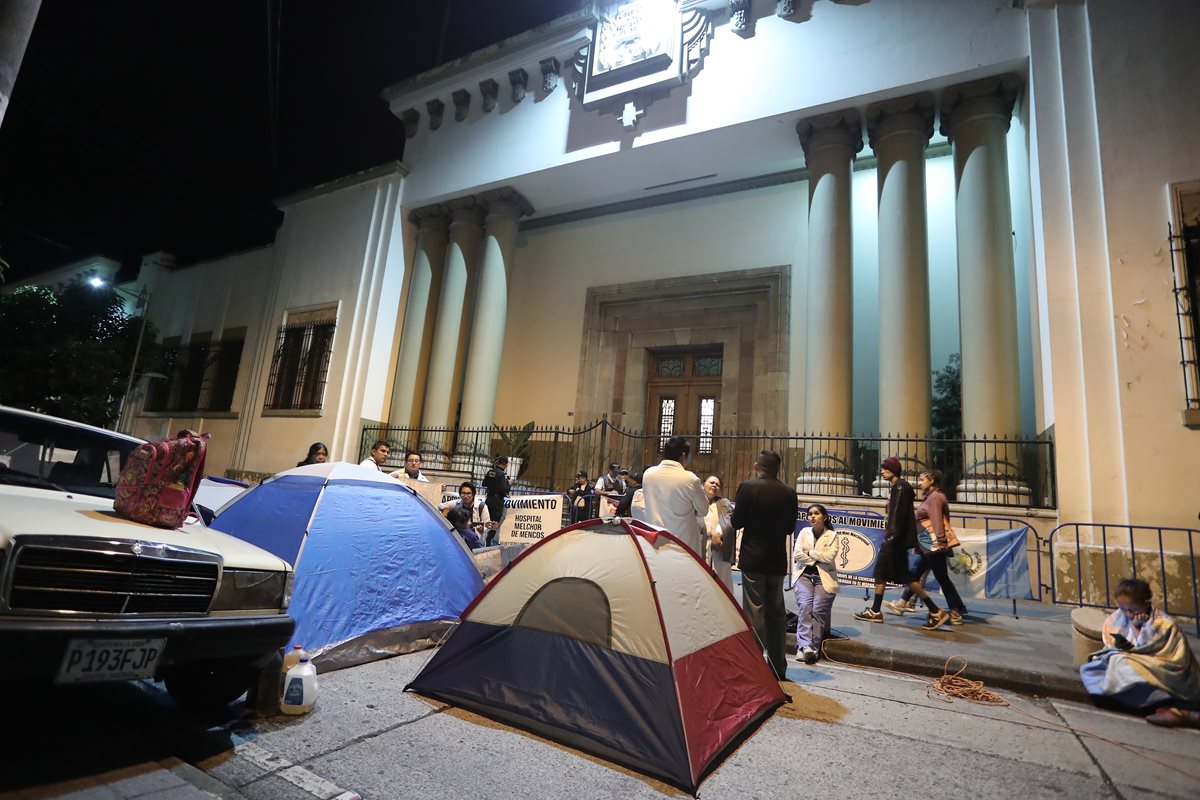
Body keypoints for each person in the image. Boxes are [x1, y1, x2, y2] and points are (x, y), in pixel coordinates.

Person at [1080, 578, 1200, 721]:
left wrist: (1136, 627)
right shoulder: (1118, 617)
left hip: (1163, 664)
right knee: (1094, 667)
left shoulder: (1164, 623)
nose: (1129, 614)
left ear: (1145, 603)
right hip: (1133, 658)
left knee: (1121, 663)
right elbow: (1111, 641)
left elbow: (1151, 649)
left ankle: (1169, 707)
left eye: (1133, 609)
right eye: (1124, 609)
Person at [853, 457, 951, 631]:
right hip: (895, 540)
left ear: (893, 470)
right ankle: (877, 610)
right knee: (894, 576)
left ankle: (935, 611)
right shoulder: (899, 488)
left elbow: (898, 516)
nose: (882, 471)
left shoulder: (901, 487)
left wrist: (891, 539)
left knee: (890, 575)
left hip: (894, 542)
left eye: (884, 468)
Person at [731, 450, 797, 680]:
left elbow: (736, 522)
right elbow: (790, 528)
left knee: (754, 613)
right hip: (777, 560)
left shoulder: (748, 487)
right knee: (777, 614)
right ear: (777, 468)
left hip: (753, 558)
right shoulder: (788, 493)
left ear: (758, 465)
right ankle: (778, 668)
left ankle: (754, 668)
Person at [908, 469, 967, 624]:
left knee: (940, 578)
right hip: (927, 546)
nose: (919, 483)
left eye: (922, 480)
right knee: (918, 575)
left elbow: (936, 520)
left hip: (933, 546)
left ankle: (955, 612)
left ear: (932, 480)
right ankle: (904, 602)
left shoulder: (935, 497)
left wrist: (940, 542)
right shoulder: (932, 497)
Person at [635, 436, 708, 555]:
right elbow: (703, 510)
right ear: (683, 456)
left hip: (655, 543)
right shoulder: (690, 479)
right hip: (683, 546)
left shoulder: (648, 474)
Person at [792, 503, 840, 664]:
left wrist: (810, 553)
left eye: (816, 513)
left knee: (818, 610)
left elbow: (829, 558)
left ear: (824, 517)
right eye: (810, 514)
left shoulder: (833, 536)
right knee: (805, 606)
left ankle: (812, 647)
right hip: (804, 575)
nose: (812, 516)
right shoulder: (804, 532)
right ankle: (804, 646)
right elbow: (797, 554)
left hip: (824, 578)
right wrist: (817, 558)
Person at [702, 474, 735, 592]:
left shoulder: (724, 503)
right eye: (711, 482)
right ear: (703, 485)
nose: (714, 485)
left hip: (718, 546)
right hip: (700, 544)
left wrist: (718, 533)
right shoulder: (696, 501)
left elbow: (730, 520)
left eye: (717, 484)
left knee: (722, 585)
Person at [481, 455, 511, 546]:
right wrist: (509, 484)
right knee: (495, 523)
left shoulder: (490, 472)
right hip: (497, 502)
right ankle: (489, 542)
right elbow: (504, 490)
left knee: (487, 520)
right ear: (505, 465)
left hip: (488, 499)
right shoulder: (502, 474)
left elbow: (483, 484)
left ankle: (484, 541)